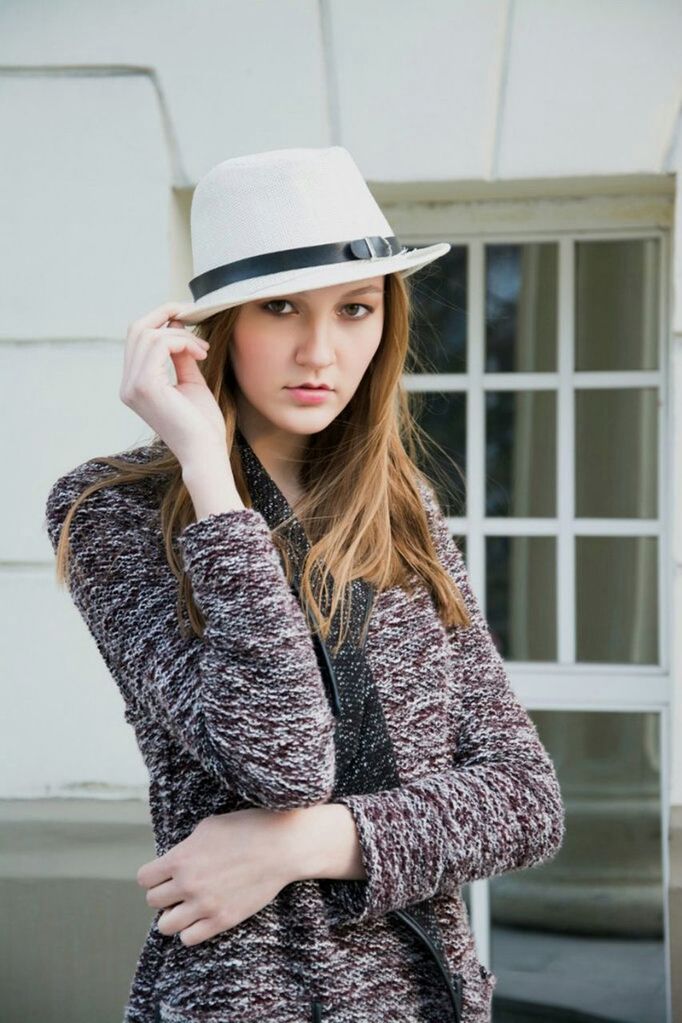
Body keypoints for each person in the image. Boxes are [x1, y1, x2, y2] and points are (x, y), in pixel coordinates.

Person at [44, 146, 566, 1023]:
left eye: (354, 309)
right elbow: (280, 760)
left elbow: (526, 797)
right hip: (256, 997)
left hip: (431, 999)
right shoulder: (115, 514)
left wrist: (308, 843)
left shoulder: (405, 513)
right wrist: (209, 474)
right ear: (216, 327)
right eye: (280, 307)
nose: (319, 351)